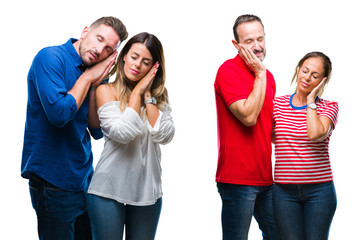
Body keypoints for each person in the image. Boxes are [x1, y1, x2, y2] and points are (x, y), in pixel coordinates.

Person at [21, 16, 128, 239]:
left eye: (109, 49)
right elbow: (59, 115)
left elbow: (97, 130)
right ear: (85, 31)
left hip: (85, 180)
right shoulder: (50, 58)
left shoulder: (98, 72)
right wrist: (88, 78)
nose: (100, 50)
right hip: (52, 183)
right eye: (99, 39)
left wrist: (95, 86)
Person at [86, 32, 175, 240]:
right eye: (134, 57)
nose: (137, 65)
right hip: (107, 190)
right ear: (124, 55)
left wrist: (147, 95)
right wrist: (136, 94)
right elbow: (121, 133)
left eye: (145, 62)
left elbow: (165, 135)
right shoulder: (105, 90)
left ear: (154, 67)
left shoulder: (159, 96)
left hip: (147, 191)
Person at [214, 14, 281, 240]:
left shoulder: (269, 78)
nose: (257, 46)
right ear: (237, 44)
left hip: (266, 178)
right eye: (249, 41)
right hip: (237, 179)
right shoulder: (228, 71)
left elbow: (270, 130)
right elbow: (249, 117)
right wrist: (260, 74)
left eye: (260, 39)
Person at [272, 51, 338, 240]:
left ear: (322, 81)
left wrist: (310, 101)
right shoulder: (277, 104)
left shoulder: (329, 106)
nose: (307, 78)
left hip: (319, 192)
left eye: (315, 75)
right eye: (305, 71)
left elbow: (315, 133)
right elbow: (271, 136)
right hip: (284, 192)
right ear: (298, 70)